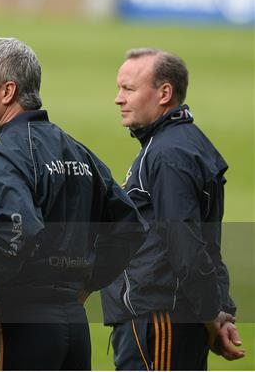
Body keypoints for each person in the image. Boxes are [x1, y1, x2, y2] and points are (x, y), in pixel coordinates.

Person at [0, 37, 147, 371]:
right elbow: (129, 227)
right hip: (73, 326)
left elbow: (16, 233)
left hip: (14, 326)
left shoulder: (0, 159)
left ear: (7, 92)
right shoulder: (77, 151)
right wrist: (87, 285)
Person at [100, 48, 245, 370]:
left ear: (164, 93)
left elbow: (186, 245)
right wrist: (219, 309)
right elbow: (208, 245)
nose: (118, 99)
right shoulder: (177, 142)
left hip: (160, 318)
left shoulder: (169, 154)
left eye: (129, 89)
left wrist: (212, 315)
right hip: (162, 317)